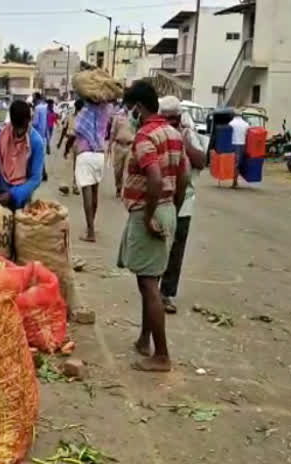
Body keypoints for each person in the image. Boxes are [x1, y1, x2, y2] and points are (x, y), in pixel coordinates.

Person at [117, 81, 188, 373]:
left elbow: (156, 179)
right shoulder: (173, 133)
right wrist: (174, 207)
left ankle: (161, 354)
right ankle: (145, 339)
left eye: (131, 108)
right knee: (151, 281)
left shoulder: (146, 136)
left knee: (148, 285)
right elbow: (182, 177)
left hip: (151, 210)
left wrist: (148, 216)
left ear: (138, 107)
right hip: (168, 208)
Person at [158, 97, 206, 315]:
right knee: (158, 244)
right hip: (161, 200)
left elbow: (202, 161)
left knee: (176, 248)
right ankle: (152, 287)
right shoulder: (156, 134)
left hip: (184, 201)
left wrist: (184, 143)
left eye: (172, 120)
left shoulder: (188, 134)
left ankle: (166, 293)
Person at [0, 100, 45, 211]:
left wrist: (12, 195)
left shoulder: (36, 142)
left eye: (22, 128)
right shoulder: (2, 134)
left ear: (29, 120)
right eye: (16, 127)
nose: (19, 132)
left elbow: (36, 178)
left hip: (22, 198)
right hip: (0, 193)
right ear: (12, 122)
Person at [74, 99, 115, 243]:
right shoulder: (105, 111)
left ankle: (90, 232)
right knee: (95, 191)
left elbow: (77, 129)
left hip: (85, 153)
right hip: (99, 155)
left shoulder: (84, 113)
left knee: (87, 193)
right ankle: (90, 226)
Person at [111, 97, 136, 198]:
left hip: (130, 146)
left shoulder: (134, 117)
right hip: (119, 146)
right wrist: (109, 146)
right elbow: (113, 131)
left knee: (128, 170)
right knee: (118, 170)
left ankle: (124, 191)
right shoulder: (118, 117)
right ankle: (118, 187)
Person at [229, 110, 249, 188]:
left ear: (234, 115)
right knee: (239, 163)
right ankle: (235, 181)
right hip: (242, 144)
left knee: (234, 164)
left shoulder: (231, 123)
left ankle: (234, 182)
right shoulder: (245, 124)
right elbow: (247, 133)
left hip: (233, 144)